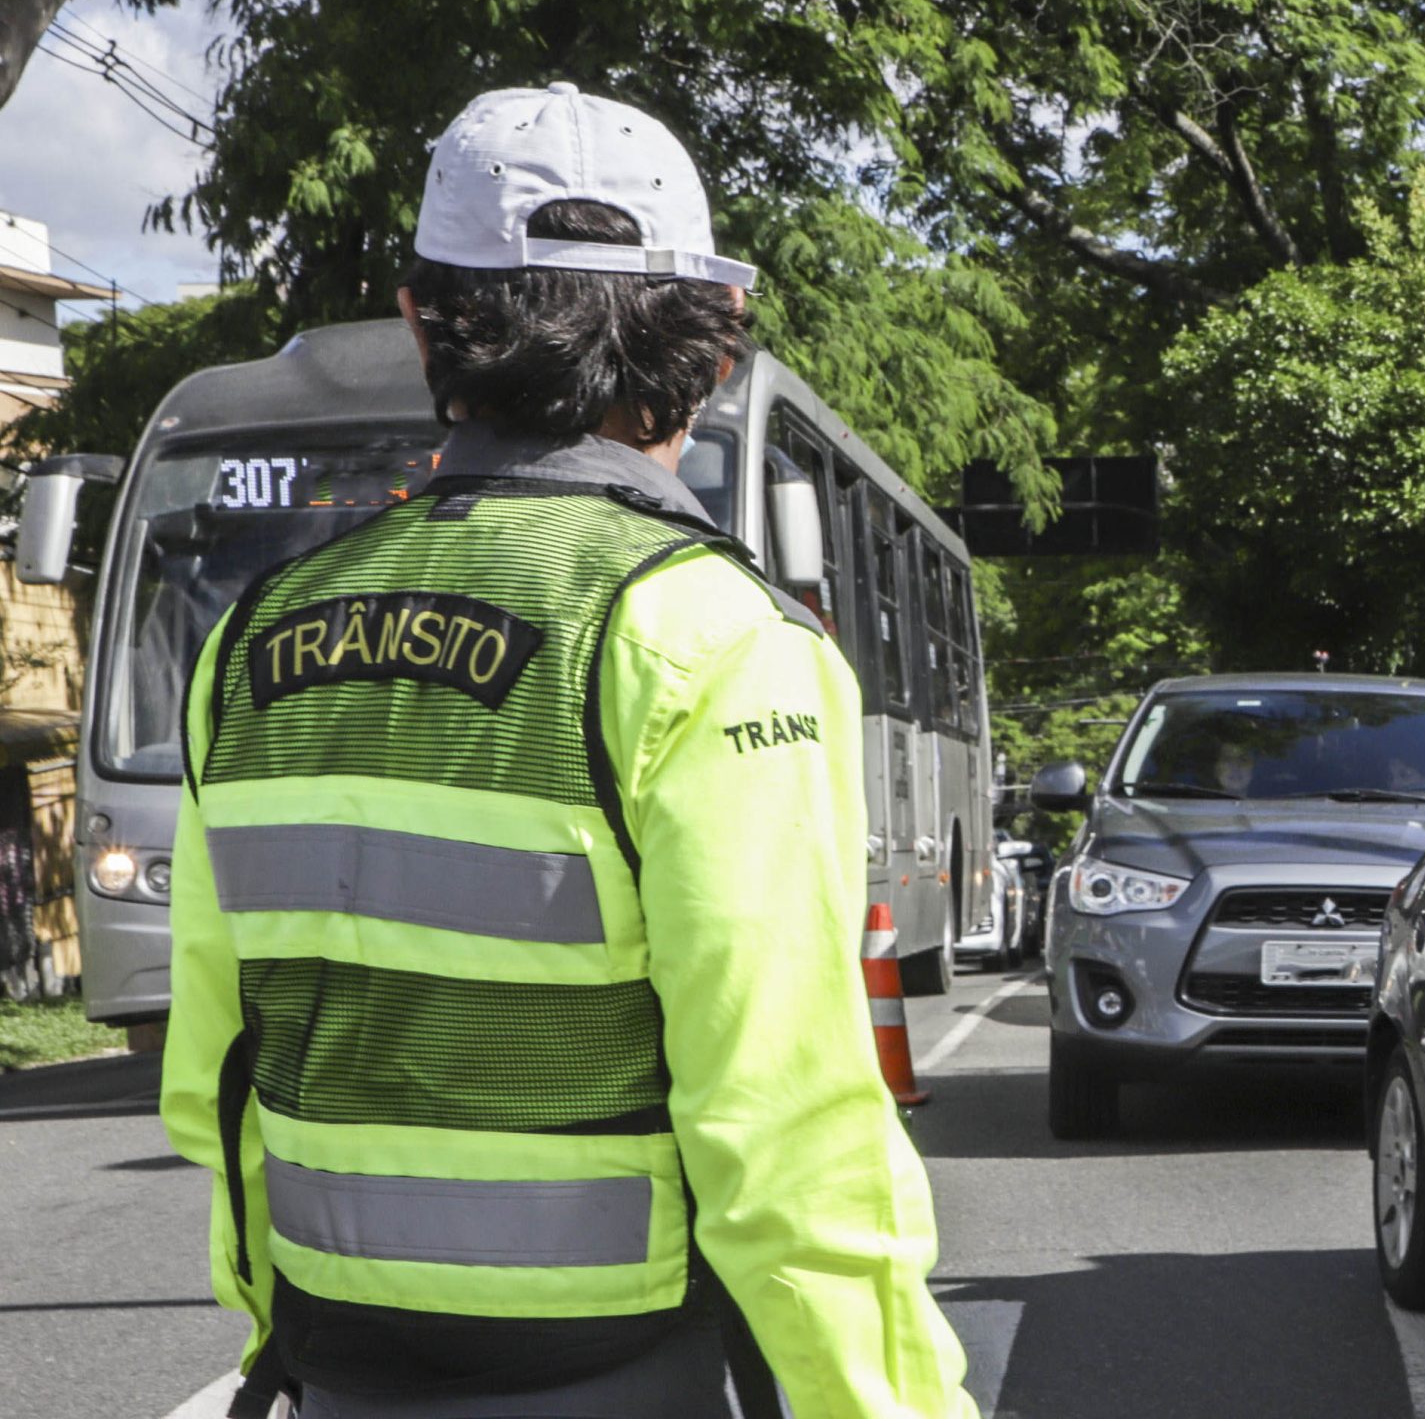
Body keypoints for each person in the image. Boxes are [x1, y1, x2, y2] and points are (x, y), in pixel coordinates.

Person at [159, 84, 973, 1418]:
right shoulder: (711, 637)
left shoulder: (253, 638)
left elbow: (218, 1073)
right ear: (714, 348)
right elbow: (788, 1129)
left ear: (423, 320)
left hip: (338, 1363)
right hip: (623, 1370)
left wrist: (282, 1341)